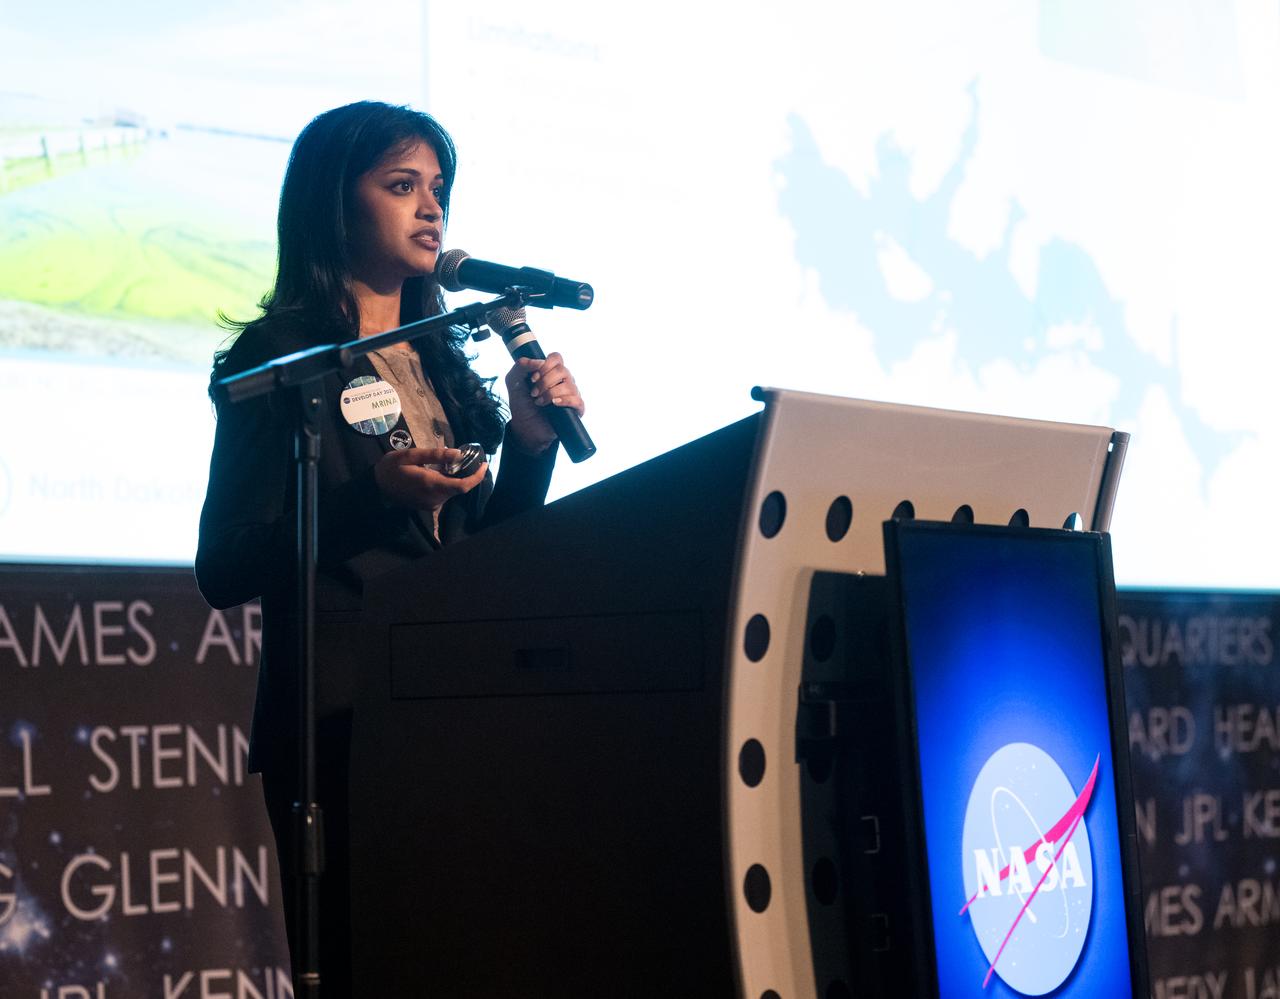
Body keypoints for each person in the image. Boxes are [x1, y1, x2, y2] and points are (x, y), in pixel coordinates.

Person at [195, 100, 584, 994]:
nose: (431, 208)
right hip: (341, 724)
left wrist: (530, 450)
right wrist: (373, 498)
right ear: (335, 203)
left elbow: (487, 565)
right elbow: (225, 564)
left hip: (453, 710)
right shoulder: (279, 359)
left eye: (438, 188)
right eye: (402, 185)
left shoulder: (442, 355)